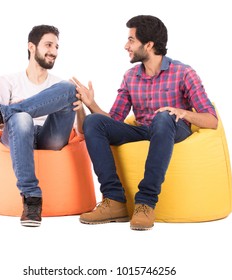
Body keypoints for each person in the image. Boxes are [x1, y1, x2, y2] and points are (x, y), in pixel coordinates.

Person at [72, 15, 218, 231]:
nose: (126, 46)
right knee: (94, 123)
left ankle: (146, 203)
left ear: (148, 45)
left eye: (131, 40)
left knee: (163, 117)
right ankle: (114, 200)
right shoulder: (131, 77)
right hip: (144, 131)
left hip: (173, 129)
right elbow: (113, 121)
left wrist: (181, 112)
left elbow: (211, 120)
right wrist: (91, 104)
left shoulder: (184, 73)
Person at [0, 25, 85, 227]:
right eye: (48, 45)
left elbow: (80, 132)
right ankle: (31, 199)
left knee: (69, 88)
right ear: (31, 47)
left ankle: (0, 113)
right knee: (22, 118)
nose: (54, 52)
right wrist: (16, 114)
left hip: (50, 137)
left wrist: (80, 106)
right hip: (18, 135)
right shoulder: (9, 81)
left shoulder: (58, 86)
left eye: (57, 47)